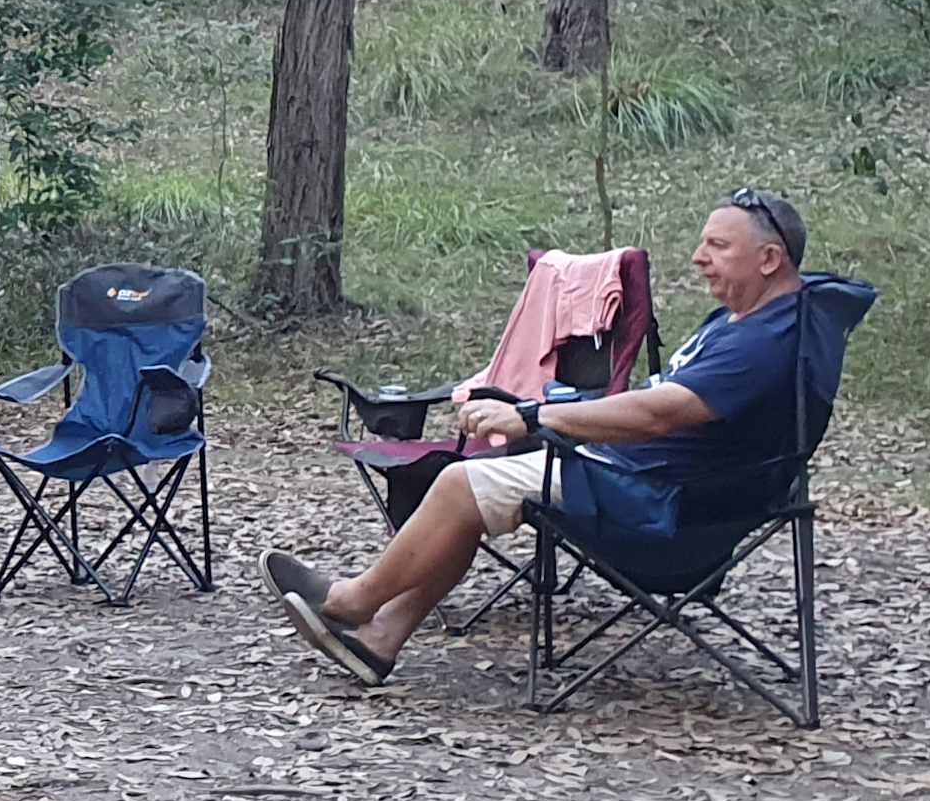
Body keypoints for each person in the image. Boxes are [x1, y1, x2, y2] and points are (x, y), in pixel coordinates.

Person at [267, 191, 814, 686]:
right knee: (481, 493)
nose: (698, 258)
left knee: (463, 484)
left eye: (717, 246)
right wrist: (555, 410)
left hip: (660, 503)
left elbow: (661, 412)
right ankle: (378, 640)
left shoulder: (764, 341)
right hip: (660, 483)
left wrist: (537, 418)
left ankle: (351, 601)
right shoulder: (755, 324)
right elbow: (663, 404)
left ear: (769, 260)